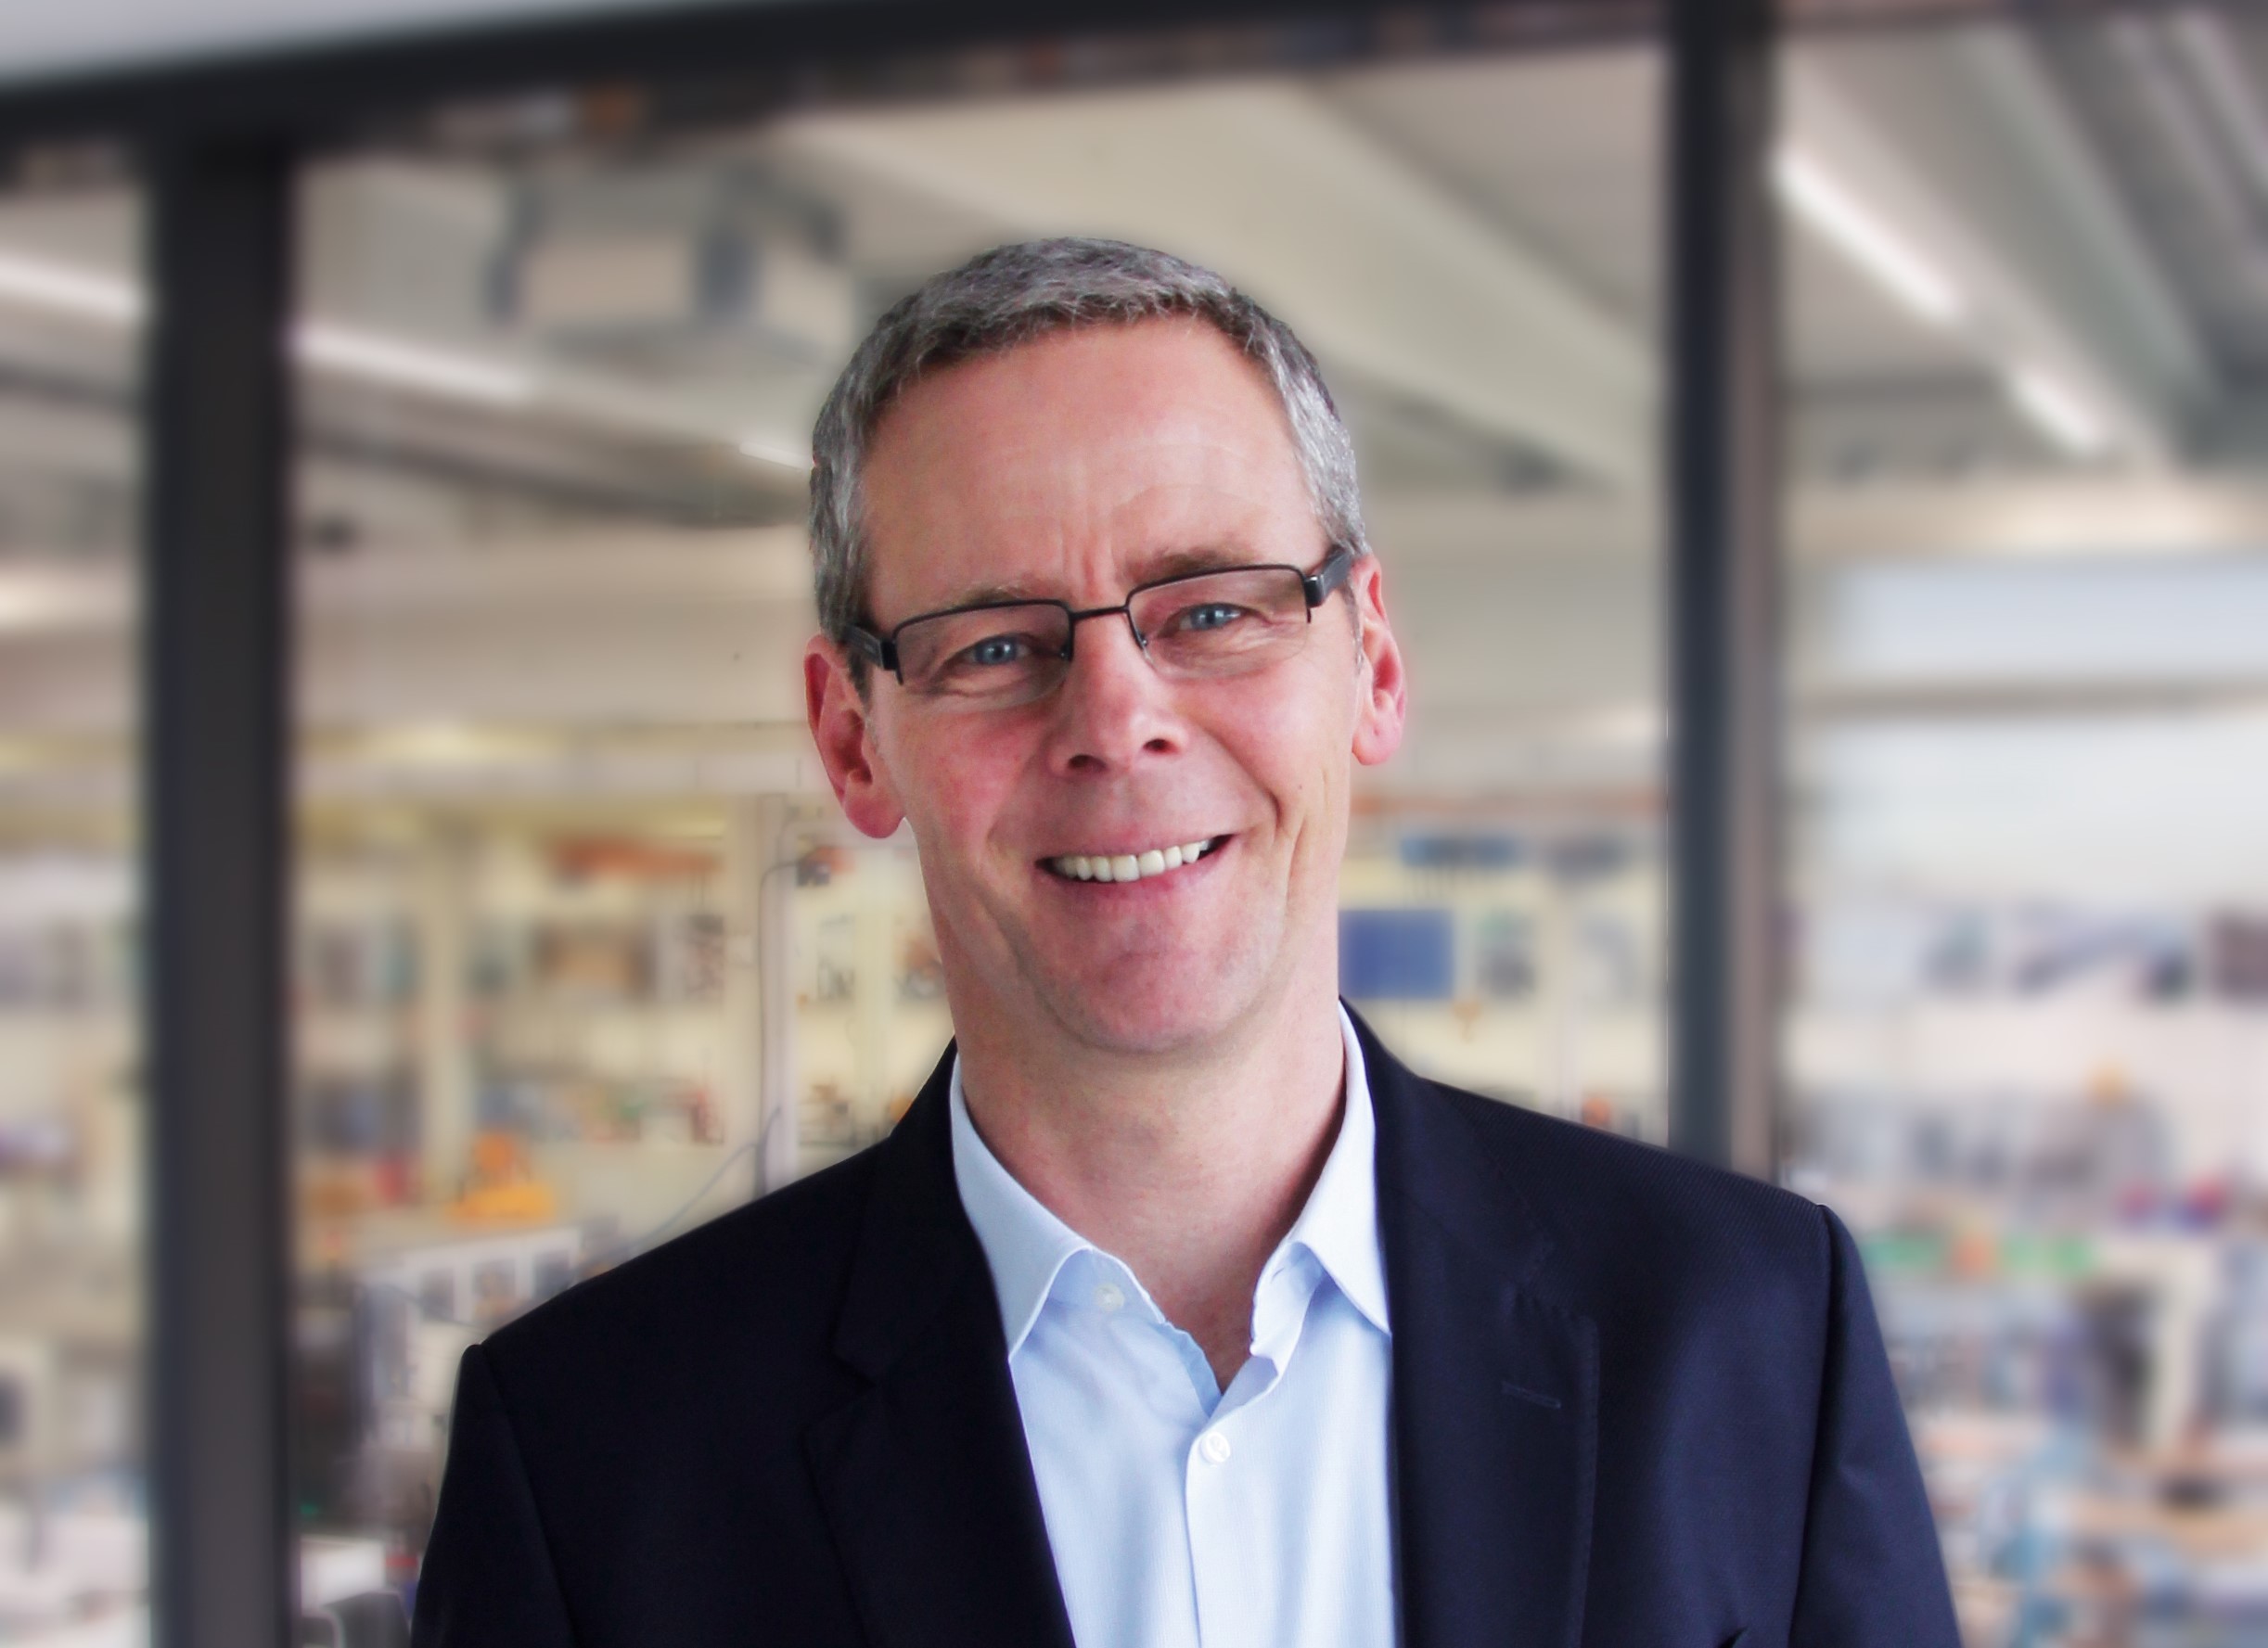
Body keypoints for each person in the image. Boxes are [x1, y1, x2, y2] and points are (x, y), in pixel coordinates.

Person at [412, 238, 1959, 1648]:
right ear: (851, 739)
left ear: (1372, 663)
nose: (1115, 718)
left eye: (1212, 611)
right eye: (994, 643)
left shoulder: (1752, 1330)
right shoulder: (594, 1454)